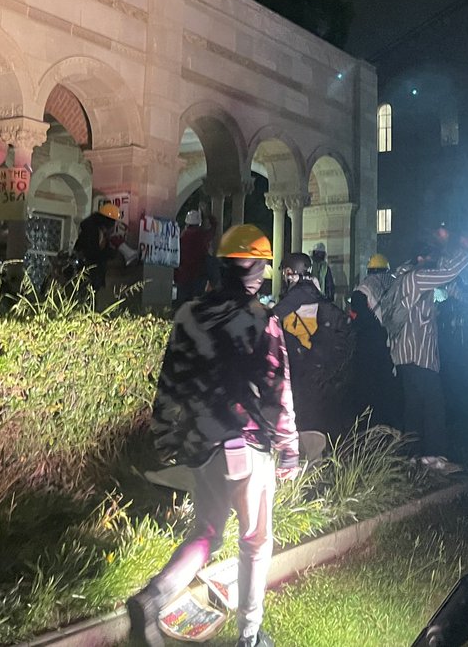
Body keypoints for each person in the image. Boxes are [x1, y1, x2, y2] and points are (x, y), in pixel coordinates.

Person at [127, 224, 298, 647]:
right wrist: (289, 449)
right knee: (255, 542)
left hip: (202, 445)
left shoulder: (188, 315)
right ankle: (250, 636)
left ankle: (153, 597)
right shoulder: (263, 321)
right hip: (249, 445)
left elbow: (171, 380)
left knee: (206, 532)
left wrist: (167, 438)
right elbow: (279, 390)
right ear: (256, 270)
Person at [383, 228, 468, 473]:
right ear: (422, 258)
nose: (434, 264)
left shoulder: (406, 278)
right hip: (417, 355)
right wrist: (464, 249)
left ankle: (412, 456)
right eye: (431, 258)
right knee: (434, 405)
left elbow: (449, 287)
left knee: (413, 406)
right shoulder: (417, 278)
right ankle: (433, 457)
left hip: (405, 356)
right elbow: (447, 273)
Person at [272, 252, 352, 436]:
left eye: (285, 273)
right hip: (321, 365)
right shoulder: (315, 290)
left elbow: (272, 317)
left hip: (302, 364)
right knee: (318, 419)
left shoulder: (297, 294)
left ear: (291, 272)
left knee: (302, 418)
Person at [349, 253, 401, 428]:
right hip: (393, 342)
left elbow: (357, 318)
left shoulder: (363, 289)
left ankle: (368, 427)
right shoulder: (396, 284)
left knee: (368, 389)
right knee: (389, 388)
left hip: (369, 346)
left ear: (369, 270)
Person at [72, 202, 121, 294]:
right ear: (108, 221)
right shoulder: (91, 231)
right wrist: (110, 253)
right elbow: (92, 253)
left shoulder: (98, 231)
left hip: (92, 272)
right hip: (88, 272)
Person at [174, 209, 211, 306]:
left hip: (182, 276)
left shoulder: (181, 237)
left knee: (181, 305)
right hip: (197, 277)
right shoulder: (202, 236)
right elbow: (211, 232)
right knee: (196, 306)